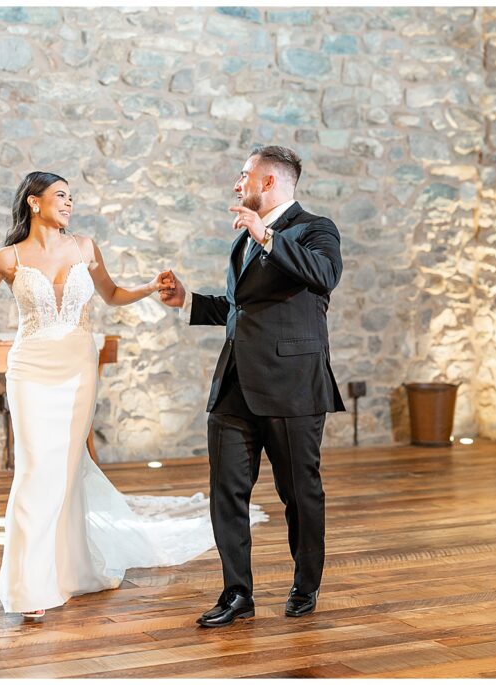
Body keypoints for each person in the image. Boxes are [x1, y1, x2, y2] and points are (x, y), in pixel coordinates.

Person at [0, 171, 264, 619]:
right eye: (60, 196)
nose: (69, 203)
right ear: (34, 203)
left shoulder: (84, 247)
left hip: (78, 369)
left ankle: (68, 570)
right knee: (36, 470)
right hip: (30, 370)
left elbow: (112, 294)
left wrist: (152, 288)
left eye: (71, 197)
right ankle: (29, 586)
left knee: (68, 467)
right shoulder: (7, 258)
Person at [159, 146, 344, 627]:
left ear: (269, 182)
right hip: (235, 384)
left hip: (292, 388)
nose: (237, 183)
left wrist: (265, 235)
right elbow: (244, 307)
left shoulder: (315, 229)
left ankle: (306, 585)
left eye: (244, 175)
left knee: (298, 492)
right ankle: (237, 593)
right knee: (227, 492)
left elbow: (324, 275)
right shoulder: (247, 238)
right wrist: (188, 302)